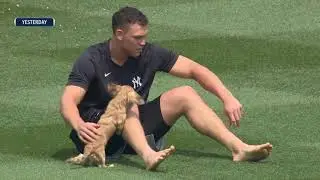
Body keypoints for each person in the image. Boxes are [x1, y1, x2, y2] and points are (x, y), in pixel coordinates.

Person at [60, 6, 273, 171]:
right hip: (96, 134)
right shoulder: (92, 59)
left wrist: (227, 98)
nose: (143, 43)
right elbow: (68, 101)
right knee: (126, 99)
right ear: (119, 34)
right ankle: (148, 155)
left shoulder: (149, 54)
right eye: (137, 38)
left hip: (133, 127)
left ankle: (238, 148)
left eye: (145, 37)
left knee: (185, 94)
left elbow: (194, 69)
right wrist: (79, 125)